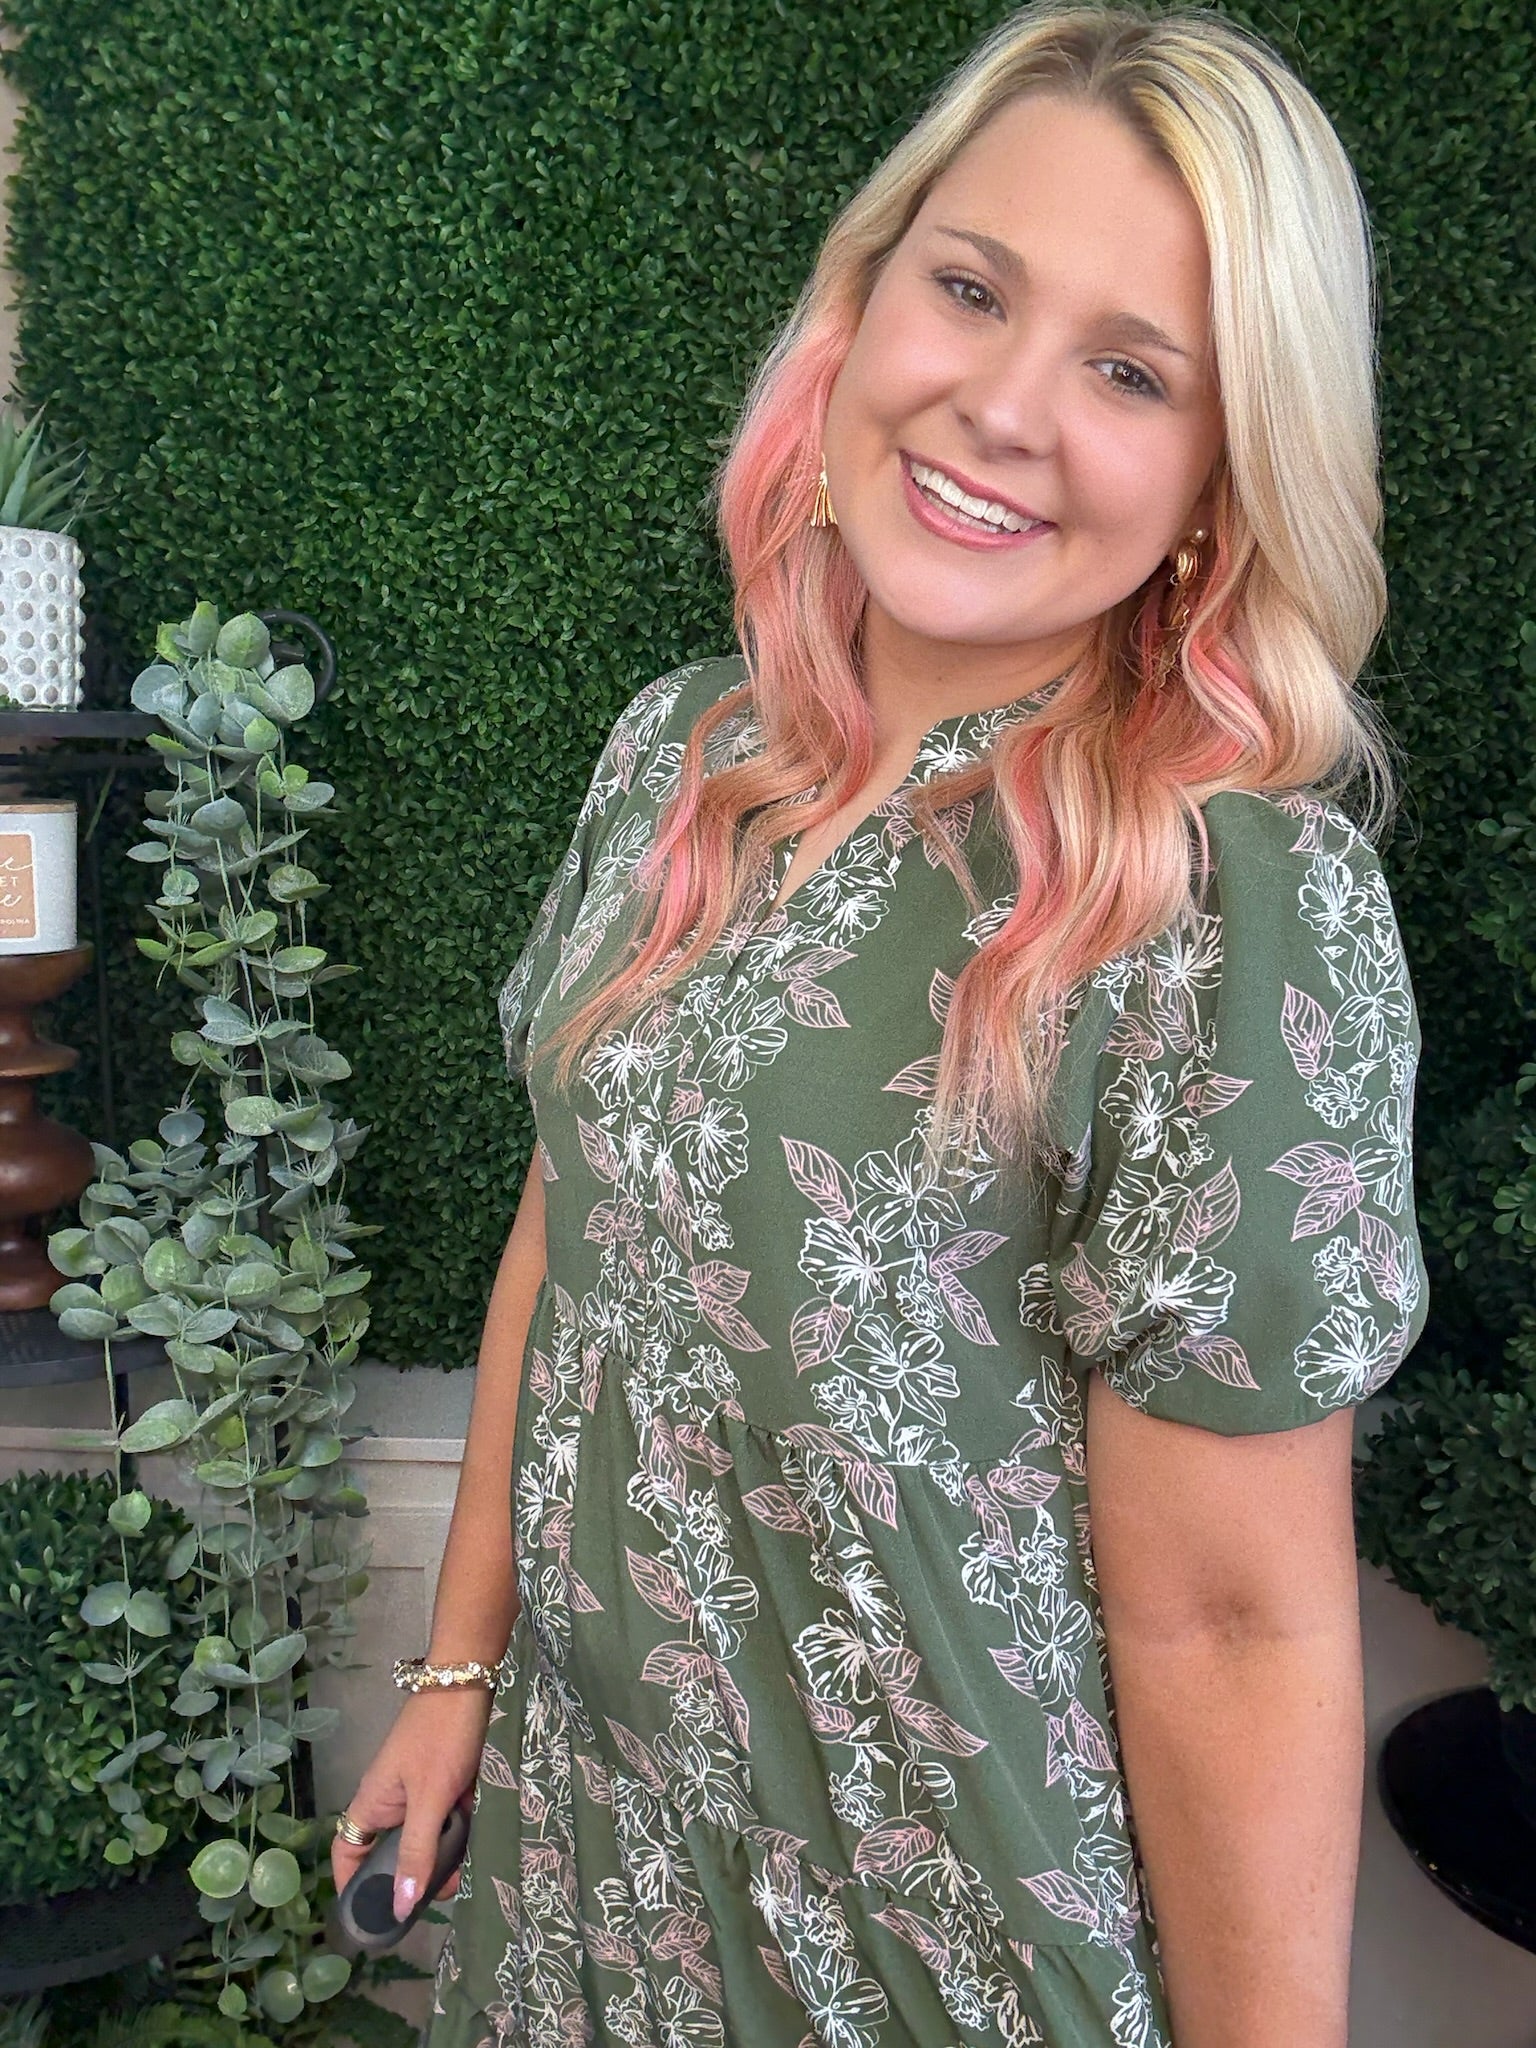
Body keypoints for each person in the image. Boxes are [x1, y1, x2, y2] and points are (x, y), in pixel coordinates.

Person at [335, 4, 1429, 2043]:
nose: (1003, 407)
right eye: (972, 289)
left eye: (1130, 371)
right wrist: (457, 1673)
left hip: (927, 1955)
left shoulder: (1223, 900)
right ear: (859, 310)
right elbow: (571, 1228)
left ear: (1219, 483)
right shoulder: (681, 755)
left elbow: (1236, 1623)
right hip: (597, 1878)